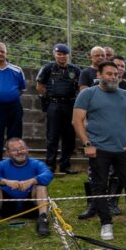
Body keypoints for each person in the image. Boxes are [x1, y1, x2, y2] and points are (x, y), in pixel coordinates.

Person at [73, 60, 126, 240]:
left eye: (116, 74)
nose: (113, 77)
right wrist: (87, 144)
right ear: (99, 75)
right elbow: (77, 121)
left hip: (123, 149)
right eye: (109, 74)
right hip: (98, 149)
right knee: (99, 186)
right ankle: (106, 223)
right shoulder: (88, 94)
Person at [0, 138, 53, 241]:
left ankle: (43, 219)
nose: (19, 152)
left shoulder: (37, 164)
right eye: (14, 150)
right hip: (6, 206)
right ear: (8, 153)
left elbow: (48, 174)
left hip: (31, 205)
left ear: (27, 149)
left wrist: (32, 181)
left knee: (41, 185)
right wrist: (5, 182)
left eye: (22, 148)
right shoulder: (1, 165)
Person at [36, 43, 81, 175]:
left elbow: (80, 87)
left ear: (68, 55)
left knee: (69, 136)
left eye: (64, 54)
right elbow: (40, 85)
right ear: (55, 54)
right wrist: (48, 98)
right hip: (54, 105)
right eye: (59, 54)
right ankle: (50, 165)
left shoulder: (75, 70)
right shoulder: (48, 68)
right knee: (52, 136)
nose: (62, 57)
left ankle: (65, 165)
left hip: (71, 106)